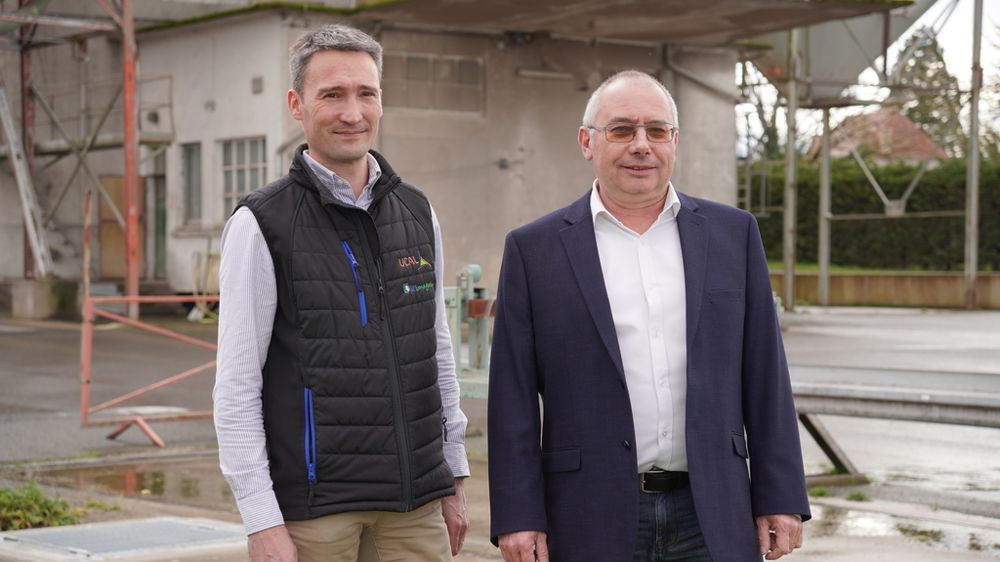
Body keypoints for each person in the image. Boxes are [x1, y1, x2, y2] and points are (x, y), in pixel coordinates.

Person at [487, 70, 811, 562]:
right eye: (621, 130)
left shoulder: (733, 235)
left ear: (674, 142)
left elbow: (766, 375)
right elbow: (511, 395)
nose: (641, 144)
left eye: (656, 130)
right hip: (587, 513)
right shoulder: (534, 250)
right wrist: (518, 514)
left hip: (714, 513)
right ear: (587, 142)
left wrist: (781, 496)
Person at [213, 24, 470, 562]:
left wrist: (454, 473)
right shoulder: (261, 222)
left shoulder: (418, 212)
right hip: (315, 513)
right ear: (296, 104)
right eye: (332, 94)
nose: (352, 113)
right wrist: (261, 521)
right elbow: (236, 385)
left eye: (366, 93)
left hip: (415, 507)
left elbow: (436, 351)